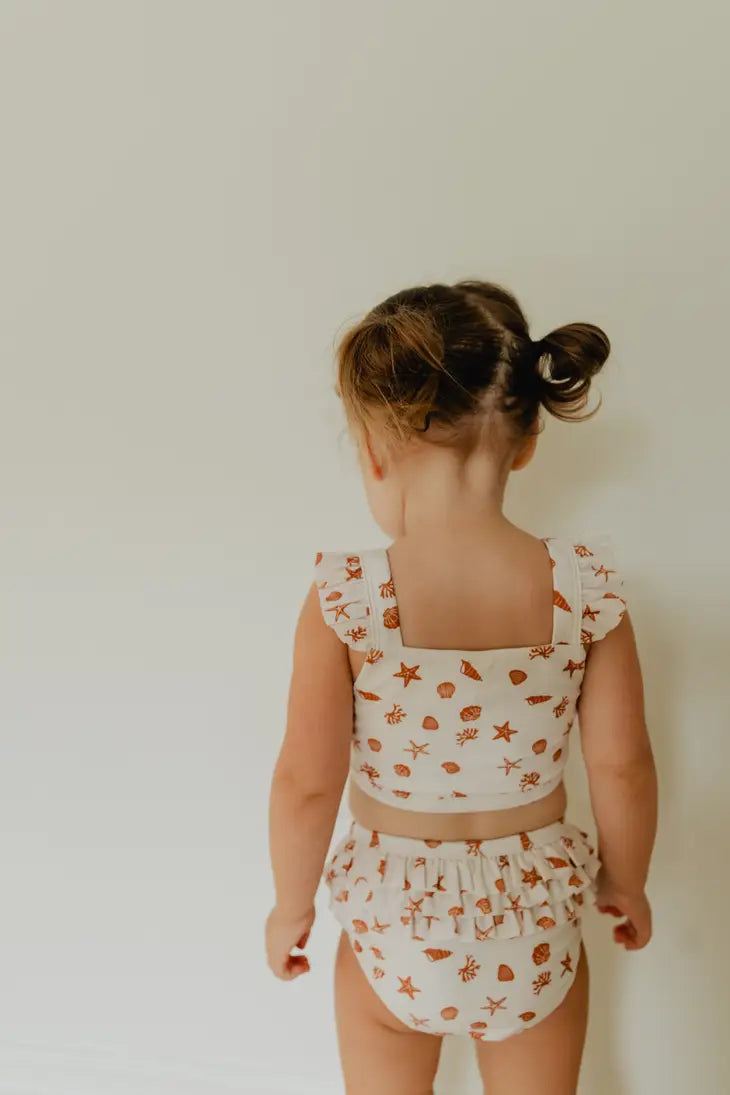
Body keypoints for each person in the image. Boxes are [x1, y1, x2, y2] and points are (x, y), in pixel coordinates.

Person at [266, 281, 657, 1095]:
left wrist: (290, 905)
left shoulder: (348, 598)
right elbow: (622, 766)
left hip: (394, 918)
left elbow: (308, 782)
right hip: (536, 918)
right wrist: (626, 880)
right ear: (526, 442)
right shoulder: (584, 588)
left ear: (374, 449)